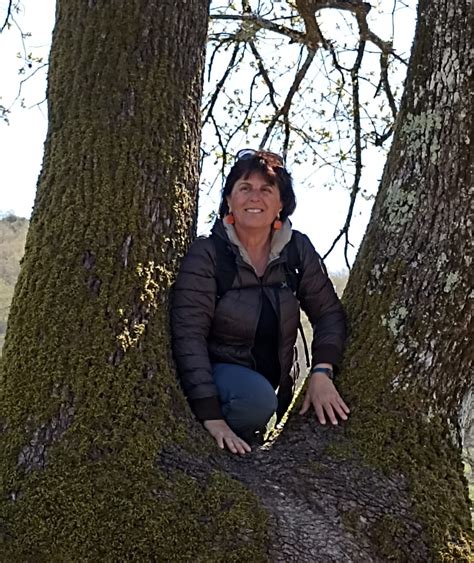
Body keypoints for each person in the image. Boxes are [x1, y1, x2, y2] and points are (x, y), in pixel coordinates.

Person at [171, 149, 349, 455]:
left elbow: (329, 313)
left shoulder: (296, 251)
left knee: (260, 398)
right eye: (244, 188)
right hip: (218, 380)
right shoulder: (208, 254)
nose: (255, 197)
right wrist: (211, 416)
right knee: (255, 400)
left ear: (281, 204)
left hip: (267, 388)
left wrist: (321, 371)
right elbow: (188, 336)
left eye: (266, 190)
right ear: (229, 200)